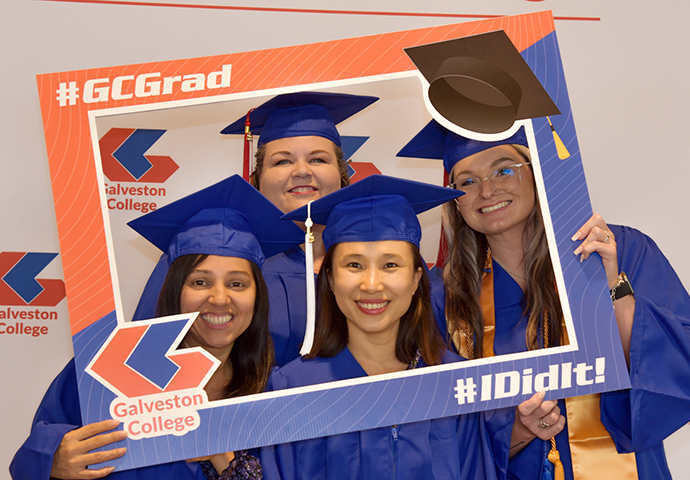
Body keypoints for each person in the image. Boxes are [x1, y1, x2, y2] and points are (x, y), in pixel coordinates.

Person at [397, 120, 690, 480]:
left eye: (503, 170)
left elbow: (674, 370)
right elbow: (436, 429)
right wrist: (517, 431)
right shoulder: (444, 296)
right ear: (456, 202)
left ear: (538, 173)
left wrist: (610, 283)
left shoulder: (621, 250)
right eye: (467, 182)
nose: (486, 191)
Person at [10, 175, 304, 480]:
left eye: (237, 284)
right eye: (200, 282)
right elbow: (34, 451)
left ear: (257, 297)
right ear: (175, 290)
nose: (219, 298)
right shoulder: (111, 367)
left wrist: (221, 453)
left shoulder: (271, 390)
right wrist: (53, 460)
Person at [260, 175, 497, 480]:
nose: (371, 285)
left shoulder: (454, 384)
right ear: (330, 279)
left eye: (390, 265)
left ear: (415, 279)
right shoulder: (292, 390)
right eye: (354, 265)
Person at [133, 91, 378, 367]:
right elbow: (145, 364)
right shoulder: (204, 252)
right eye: (282, 161)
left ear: (343, 176)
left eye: (318, 159)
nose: (301, 171)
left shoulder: (375, 264)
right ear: (256, 179)